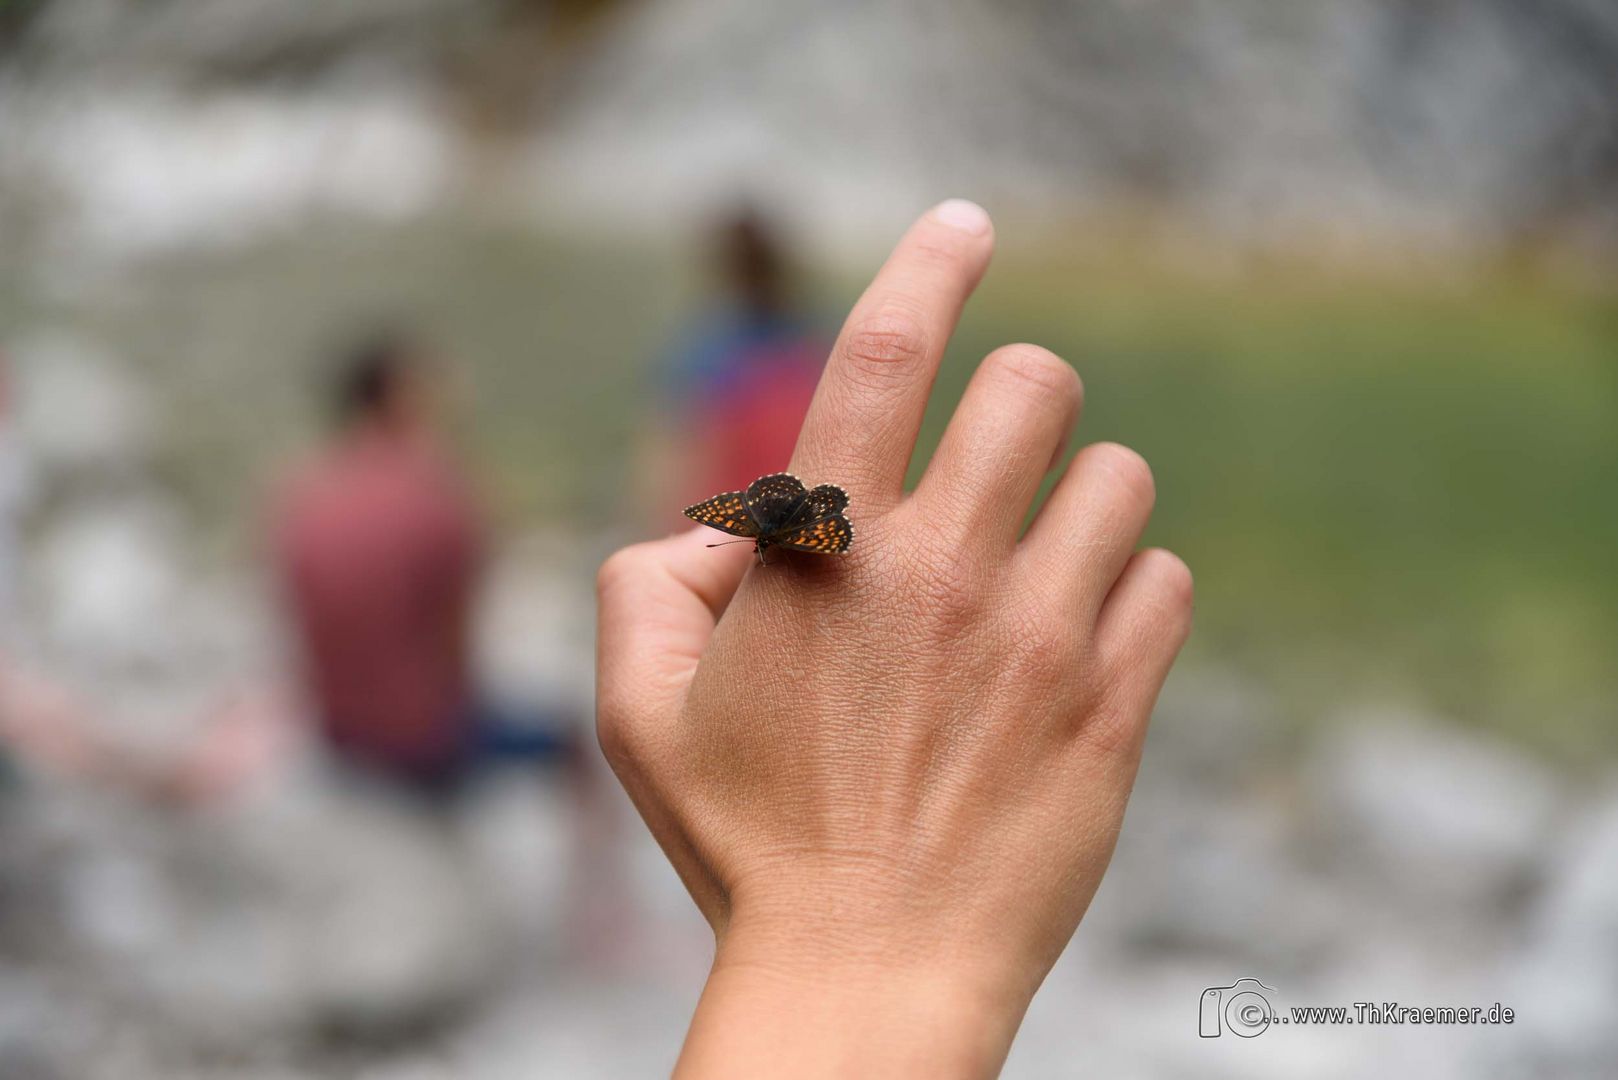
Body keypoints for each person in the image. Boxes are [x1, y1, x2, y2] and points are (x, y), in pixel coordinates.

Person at [596, 201, 1194, 1075]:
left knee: (771, 731)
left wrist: (683, 525)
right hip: (792, 529)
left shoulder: (706, 350)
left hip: (739, 552)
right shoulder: (802, 344)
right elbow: (834, 449)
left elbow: (681, 454)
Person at [271, 335, 572, 796]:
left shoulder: (301, 491)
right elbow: (458, 650)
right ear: (398, 396)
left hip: (334, 733)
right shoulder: (438, 490)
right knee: (582, 740)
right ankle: (598, 870)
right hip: (422, 745)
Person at [648, 207, 830, 526]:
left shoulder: (710, 345)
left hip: (730, 525)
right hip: (791, 521)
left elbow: (682, 453)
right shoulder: (808, 343)